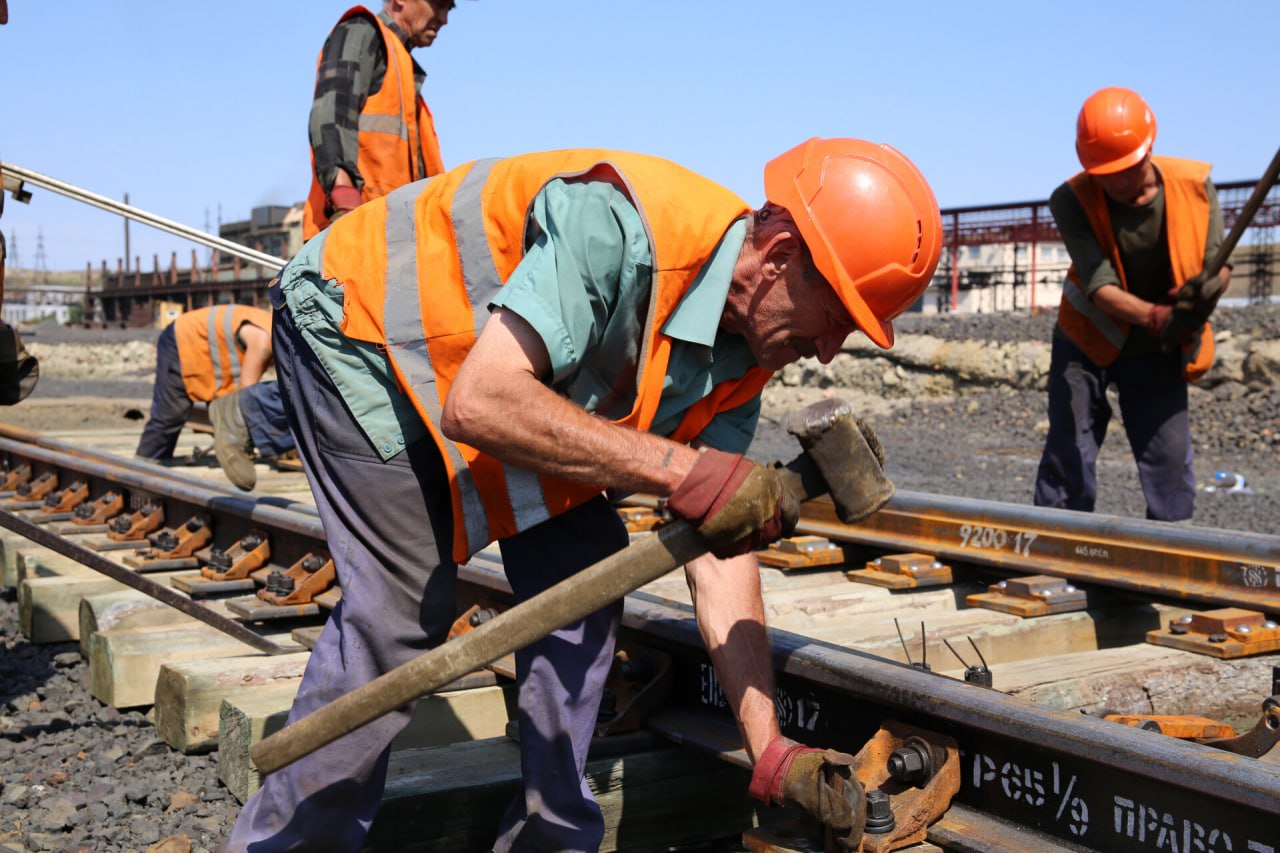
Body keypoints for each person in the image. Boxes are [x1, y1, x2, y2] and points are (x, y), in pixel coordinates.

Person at [220, 138, 942, 852]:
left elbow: (717, 545)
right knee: (401, 606)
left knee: (586, 576)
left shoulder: (747, 353)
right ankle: (286, 844)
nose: (828, 351)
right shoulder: (618, 231)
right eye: (836, 319)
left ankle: (551, 841)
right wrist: (682, 472)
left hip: (496, 380)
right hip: (361, 329)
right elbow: (481, 401)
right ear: (780, 256)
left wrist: (771, 749)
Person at [1034, 87, 1228, 521]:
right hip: (1087, 337)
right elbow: (1099, 284)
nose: (1118, 183)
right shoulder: (1071, 199)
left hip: (1158, 344)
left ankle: (1170, 548)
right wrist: (1155, 316)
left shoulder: (1194, 187)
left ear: (1149, 148)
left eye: (1128, 169)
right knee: (1069, 449)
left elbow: (1220, 266)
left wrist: (1206, 291)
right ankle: (1058, 540)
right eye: (1106, 174)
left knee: (1169, 458)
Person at [302, 0, 456, 240]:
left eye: (449, 8)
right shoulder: (362, 31)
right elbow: (331, 115)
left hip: (392, 238)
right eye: (438, 4)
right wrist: (344, 202)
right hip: (354, 234)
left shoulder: (403, 70)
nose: (444, 19)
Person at [135, 305, 293, 491]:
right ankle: (144, 465)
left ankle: (159, 461)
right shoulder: (264, 341)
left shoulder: (276, 335)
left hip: (210, 349)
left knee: (225, 403)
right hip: (183, 338)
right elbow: (244, 396)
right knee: (172, 412)